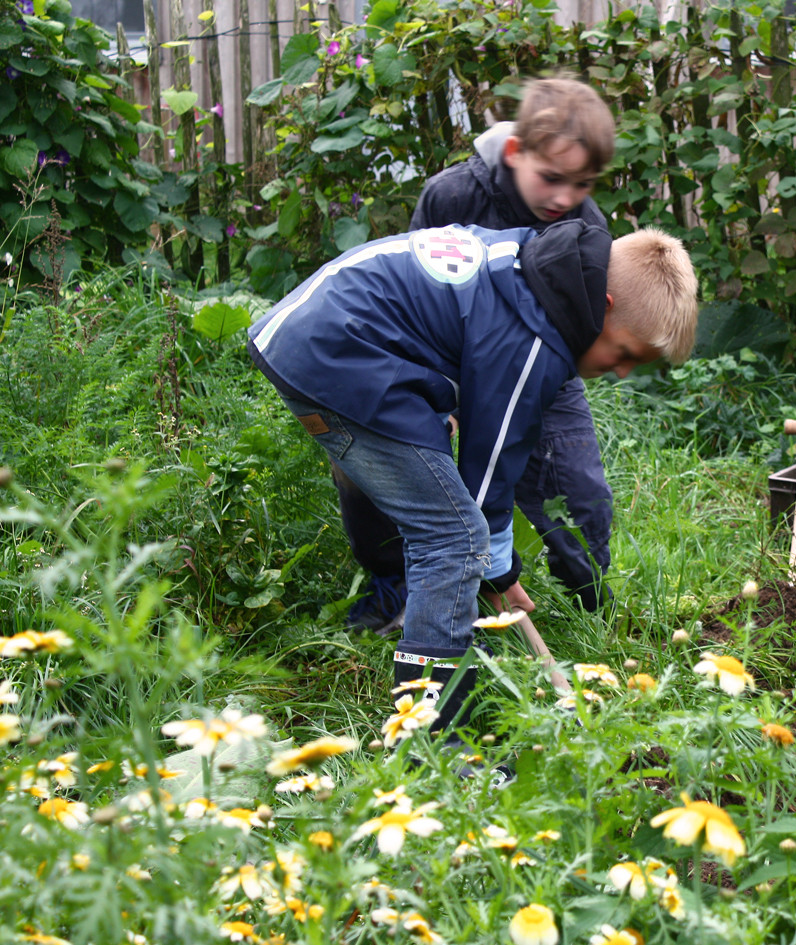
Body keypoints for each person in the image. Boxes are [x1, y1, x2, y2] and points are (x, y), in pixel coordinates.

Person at [248, 220, 698, 735]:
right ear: (606, 306)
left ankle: (425, 624)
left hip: (315, 337)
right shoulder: (537, 337)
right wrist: (497, 574)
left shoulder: (539, 266)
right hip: (342, 354)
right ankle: (432, 736)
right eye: (625, 354)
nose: (621, 372)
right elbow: (490, 471)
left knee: (428, 492)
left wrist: (493, 573)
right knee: (454, 538)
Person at [342, 77, 619, 633]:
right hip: (442, 364)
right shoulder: (452, 196)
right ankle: (396, 587)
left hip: (542, 370)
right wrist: (436, 402)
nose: (565, 198)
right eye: (552, 178)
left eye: (583, 184)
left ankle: (587, 599)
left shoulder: (585, 225)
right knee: (377, 471)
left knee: (579, 489)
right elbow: (415, 288)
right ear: (516, 151)